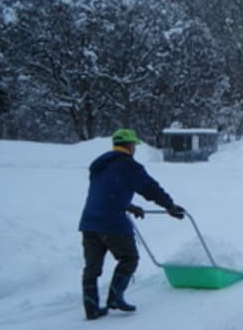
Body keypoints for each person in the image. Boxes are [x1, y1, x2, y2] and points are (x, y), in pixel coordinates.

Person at [78, 128, 185, 320]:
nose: (135, 148)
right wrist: (170, 206)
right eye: (134, 144)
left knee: (92, 267)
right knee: (129, 258)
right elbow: (150, 189)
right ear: (129, 145)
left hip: (89, 222)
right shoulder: (129, 166)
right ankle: (115, 297)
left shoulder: (100, 166)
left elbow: (106, 191)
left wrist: (127, 205)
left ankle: (91, 307)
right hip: (112, 223)